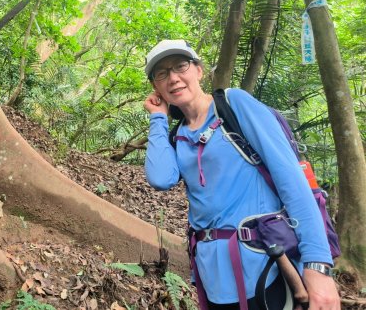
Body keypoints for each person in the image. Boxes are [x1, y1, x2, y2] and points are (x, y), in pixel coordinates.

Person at [143, 39, 340, 310]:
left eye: (181, 66)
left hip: (265, 266)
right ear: (156, 86)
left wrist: (318, 265)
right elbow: (160, 178)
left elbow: (292, 182)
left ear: (199, 70)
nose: (173, 78)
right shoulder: (179, 136)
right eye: (162, 74)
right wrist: (157, 117)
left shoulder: (234, 104)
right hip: (212, 276)